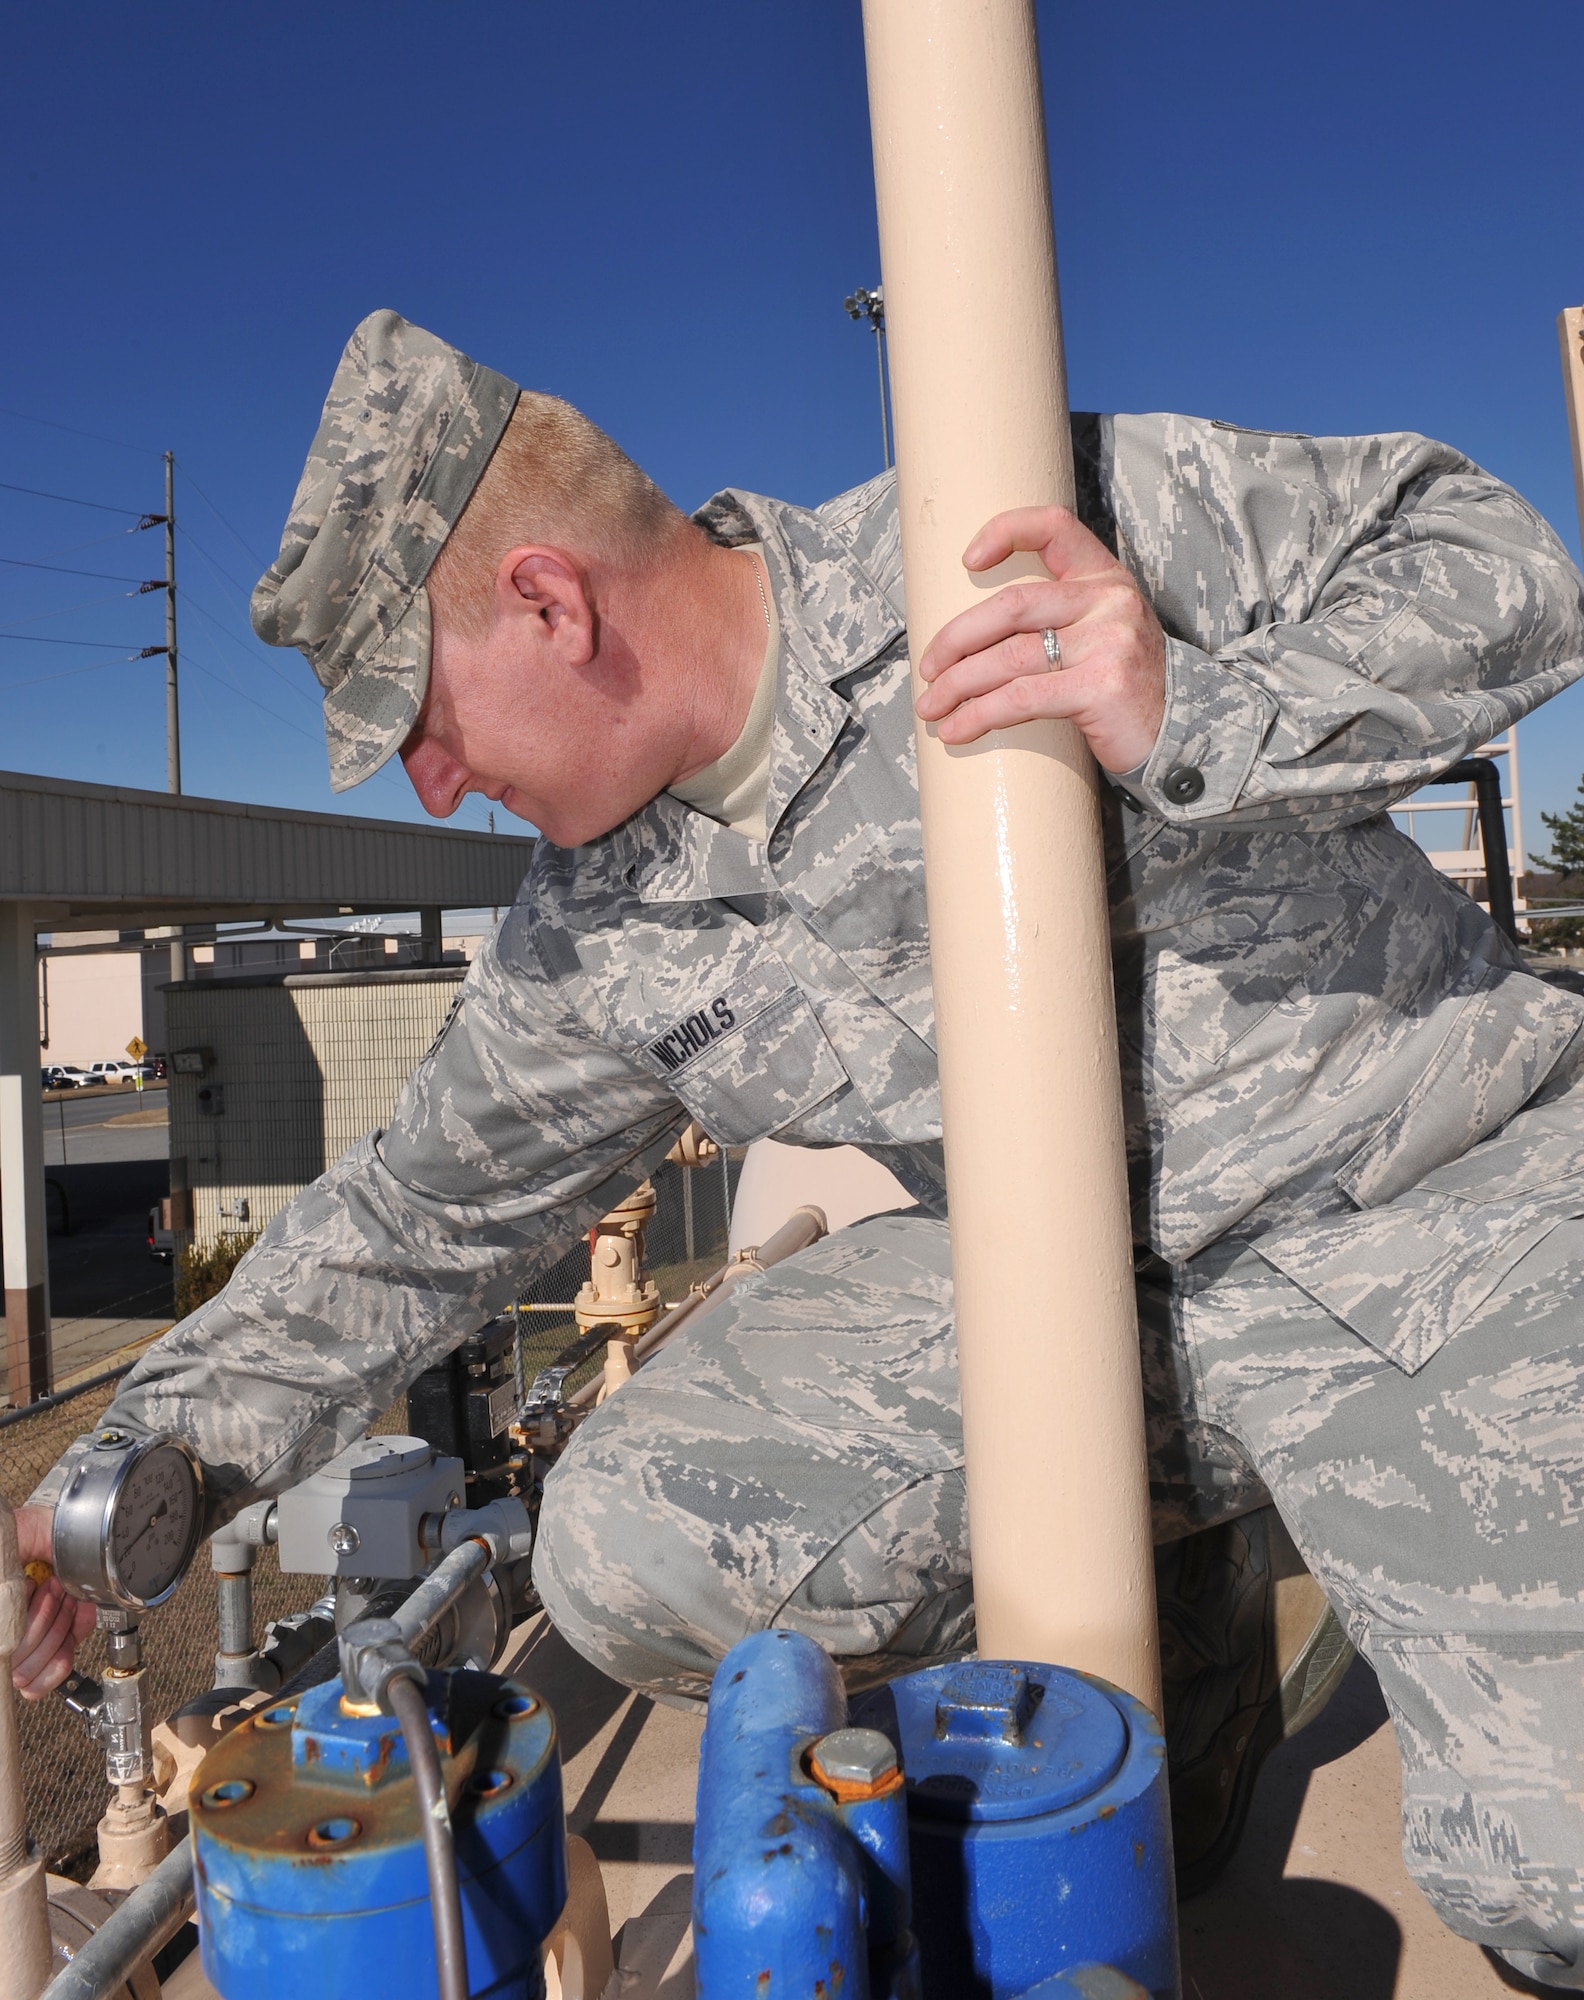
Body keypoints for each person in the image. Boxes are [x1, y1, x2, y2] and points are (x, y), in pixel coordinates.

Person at [17, 312, 1584, 1985]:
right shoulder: (594, 935)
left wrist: (1205, 706)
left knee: (1555, 1880)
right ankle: (1160, 1626)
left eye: (421, 716)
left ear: (551, 602)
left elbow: (1500, 551)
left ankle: (1201, 1579)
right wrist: (106, 1490)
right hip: (1080, 1301)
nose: (431, 788)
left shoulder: (998, 527)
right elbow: (413, 1222)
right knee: (621, 1544)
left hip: (1435, 1198)